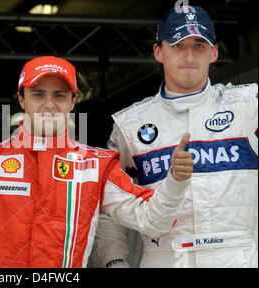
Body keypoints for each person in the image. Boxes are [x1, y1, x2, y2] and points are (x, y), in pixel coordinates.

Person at [0, 55, 194, 268]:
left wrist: (175, 182)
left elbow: (153, 220)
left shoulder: (97, 164)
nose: (49, 103)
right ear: (21, 99)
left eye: (59, 95)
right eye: (38, 94)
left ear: (73, 101)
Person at [95, 5, 258, 268]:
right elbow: (109, 208)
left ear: (214, 52)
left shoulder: (248, 105)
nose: (189, 55)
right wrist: (115, 262)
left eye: (199, 45)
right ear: (158, 51)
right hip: (165, 260)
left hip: (238, 259)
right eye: (178, 45)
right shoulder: (128, 126)